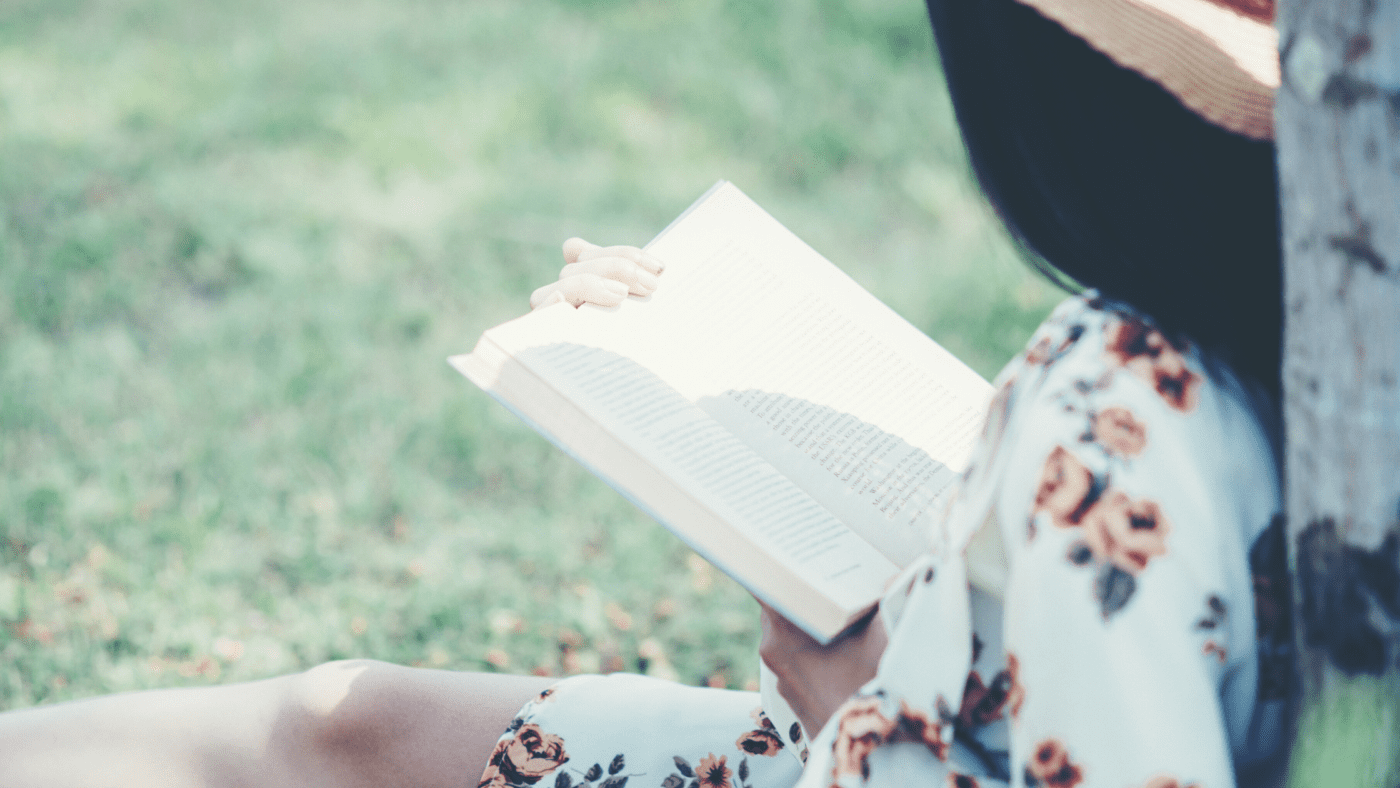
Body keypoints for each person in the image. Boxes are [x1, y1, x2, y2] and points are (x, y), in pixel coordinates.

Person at [0, 0, 1292, 786]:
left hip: (873, 755)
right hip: (900, 738)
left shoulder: (1115, 397)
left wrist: (851, 712)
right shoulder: (1274, 336)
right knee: (352, 722)